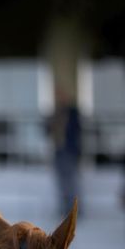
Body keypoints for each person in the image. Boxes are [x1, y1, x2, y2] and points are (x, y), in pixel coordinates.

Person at [48, 88, 82, 216]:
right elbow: (47, 130)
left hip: (70, 151)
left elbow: (76, 130)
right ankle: (64, 210)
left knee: (72, 183)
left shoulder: (73, 112)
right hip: (58, 150)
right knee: (61, 183)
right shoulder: (55, 113)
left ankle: (75, 210)